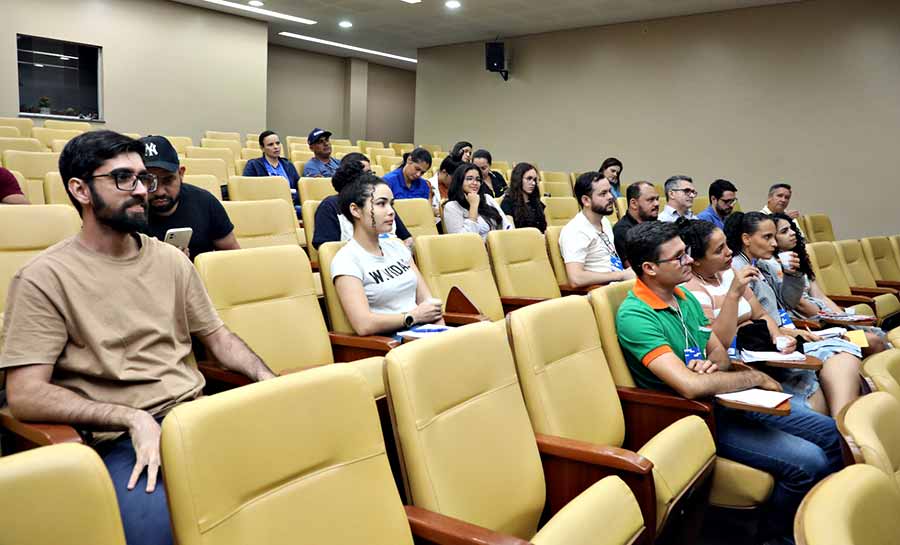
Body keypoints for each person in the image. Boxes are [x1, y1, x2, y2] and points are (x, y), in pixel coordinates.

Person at [0, 131, 276, 545]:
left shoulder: (171, 260)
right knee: (160, 531)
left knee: (293, 488)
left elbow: (219, 339)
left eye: (144, 179)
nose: (142, 192)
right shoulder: (44, 279)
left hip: (197, 419)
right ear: (81, 190)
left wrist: (270, 381)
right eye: (123, 179)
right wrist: (131, 417)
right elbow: (24, 394)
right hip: (120, 440)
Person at [616, 220, 842, 544]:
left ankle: (822, 525)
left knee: (833, 434)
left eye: (687, 253)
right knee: (810, 462)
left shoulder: (683, 297)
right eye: (678, 257)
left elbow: (720, 356)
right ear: (650, 268)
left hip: (729, 398)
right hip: (696, 417)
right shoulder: (636, 316)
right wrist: (755, 377)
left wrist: (711, 369)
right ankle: (779, 539)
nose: (688, 261)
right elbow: (690, 387)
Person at [725, 211, 863, 418]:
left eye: (774, 236)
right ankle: (845, 422)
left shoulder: (762, 265)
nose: (774, 243)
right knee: (852, 347)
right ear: (746, 239)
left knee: (861, 342)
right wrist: (788, 332)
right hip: (778, 340)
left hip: (793, 331)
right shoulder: (738, 270)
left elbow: (786, 301)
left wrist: (793, 275)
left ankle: (850, 417)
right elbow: (753, 319)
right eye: (767, 237)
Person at [331, 173, 443, 337]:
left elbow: (429, 303)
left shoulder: (397, 247)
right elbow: (363, 325)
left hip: (423, 335)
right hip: (389, 343)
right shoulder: (346, 260)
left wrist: (443, 334)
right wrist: (413, 317)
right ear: (355, 210)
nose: (391, 212)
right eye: (381, 204)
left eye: (391, 204)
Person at [772, 212, 889, 352]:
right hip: (813, 323)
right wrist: (836, 320)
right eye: (784, 231)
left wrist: (843, 317)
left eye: (791, 228)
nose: (792, 233)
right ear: (773, 239)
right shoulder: (773, 266)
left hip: (825, 315)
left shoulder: (800, 258)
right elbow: (801, 305)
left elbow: (820, 296)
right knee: (873, 341)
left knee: (880, 334)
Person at [140, 136, 239, 261]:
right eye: (148, 181)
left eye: (168, 180)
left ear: (181, 174)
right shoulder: (124, 213)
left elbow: (232, 256)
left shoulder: (205, 202)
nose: (159, 192)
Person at [312, 153, 412, 250]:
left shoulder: (382, 202)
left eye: (371, 173)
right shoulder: (330, 206)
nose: (370, 178)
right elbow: (328, 251)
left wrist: (403, 255)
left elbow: (406, 238)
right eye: (365, 174)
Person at [558, 171, 635, 287]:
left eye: (609, 191)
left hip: (619, 285)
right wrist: (621, 275)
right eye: (603, 194)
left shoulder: (604, 221)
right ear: (586, 200)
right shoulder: (575, 231)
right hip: (600, 292)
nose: (610, 197)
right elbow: (576, 279)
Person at [442, 162, 511, 240]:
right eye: (469, 179)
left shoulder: (487, 198)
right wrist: (473, 206)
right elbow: (464, 240)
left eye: (478, 179)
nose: (475, 183)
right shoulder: (452, 206)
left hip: (499, 246)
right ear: (459, 182)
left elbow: (507, 225)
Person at [612, 180, 659, 262]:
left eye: (657, 199)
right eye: (650, 200)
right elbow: (633, 269)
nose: (657, 203)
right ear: (634, 203)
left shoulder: (656, 225)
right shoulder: (622, 231)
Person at [500, 162, 546, 232]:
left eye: (534, 179)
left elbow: (545, 228)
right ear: (518, 179)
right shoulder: (507, 203)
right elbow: (511, 231)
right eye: (529, 178)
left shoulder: (536, 202)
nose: (533, 183)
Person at [428, 156, 460, 226]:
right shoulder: (428, 184)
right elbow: (426, 210)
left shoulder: (455, 187)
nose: (455, 182)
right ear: (444, 172)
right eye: (453, 178)